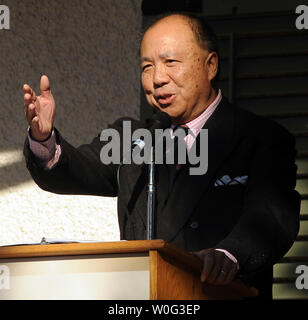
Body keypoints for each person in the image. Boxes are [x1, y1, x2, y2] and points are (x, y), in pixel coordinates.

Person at [23, 13, 300, 299]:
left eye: (171, 63)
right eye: (147, 67)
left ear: (210, 65)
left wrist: (229, 254)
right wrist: (44, 138)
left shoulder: (260, 138)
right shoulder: (133, 138)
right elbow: (77, 170)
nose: (157, 79)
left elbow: (272, 215)